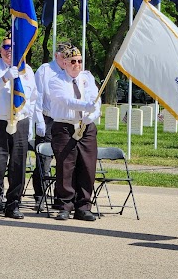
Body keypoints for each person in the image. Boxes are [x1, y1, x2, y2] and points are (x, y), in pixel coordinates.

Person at [0, 35, 43, 219]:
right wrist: (4, 79)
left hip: (20, 121)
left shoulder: (27, 70)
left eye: (13, 47)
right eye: (6, 47)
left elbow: (32, 98)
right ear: (0, 50)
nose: (9, 50)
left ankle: (13, 204)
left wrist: (29, 121)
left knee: (18, 165)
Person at [49, 45, 101, 222]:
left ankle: (83, 206)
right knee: (66, 167)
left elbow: (96, 99)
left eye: (79, 61)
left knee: (87, 167)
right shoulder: (56, 80)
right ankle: (65, 205)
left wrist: (92, 114)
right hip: (65, 127)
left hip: (86, 127)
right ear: (64, 63)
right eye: (72, 61)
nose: (77, 64)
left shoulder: (87, 78)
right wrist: (85, 106)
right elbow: (65, 100)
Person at [32, 41, 71, 210]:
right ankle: (40, 195)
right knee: (44, 159)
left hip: (65, 120)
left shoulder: (71, 71)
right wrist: (39, 120)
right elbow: (37, 96)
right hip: (47, 119)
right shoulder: (45, 70)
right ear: (57, 55)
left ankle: (61, 196)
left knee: (65, 159)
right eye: (64, 58)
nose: (66, 62)